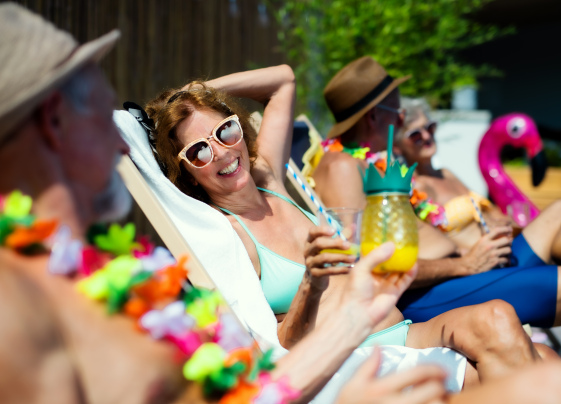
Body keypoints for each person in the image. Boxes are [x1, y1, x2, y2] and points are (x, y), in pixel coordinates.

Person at [0, 4, 448, 403]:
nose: (124, 154)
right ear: (54, 122)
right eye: (103, 121)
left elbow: (248, 394)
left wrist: (351, 324)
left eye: (226, 133)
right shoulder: (17, 304)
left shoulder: (89, 270)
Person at [146, 60, 561, 387]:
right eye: (198, 151)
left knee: (513, 329)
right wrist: (311, 281)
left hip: (403, 329)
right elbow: (284, 343)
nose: (220, 152)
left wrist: (196, 94)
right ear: (187, 171)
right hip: (359, 355)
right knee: (515, 354)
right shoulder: (231, 236)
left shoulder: (268, 177)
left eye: (225, 130)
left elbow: (283, 81)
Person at [310, 56, 561, 378]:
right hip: (424, 294)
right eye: (399, 112)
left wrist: (470, 252)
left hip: (458, 273)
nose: (403, 118)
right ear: (375, 116)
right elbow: (369, 263)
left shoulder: (369, 163)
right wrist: (464, 264)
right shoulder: (341, 167)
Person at [395, 96, 561, 378]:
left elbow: (485, 214)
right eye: (415, 133)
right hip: (468, 273)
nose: (427, 136)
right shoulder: (405, 186)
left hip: (500, 258)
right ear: (396, 143)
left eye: (430, 126)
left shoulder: (447, 174)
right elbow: (425, 245)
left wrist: (498, 223)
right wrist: (470, 254)